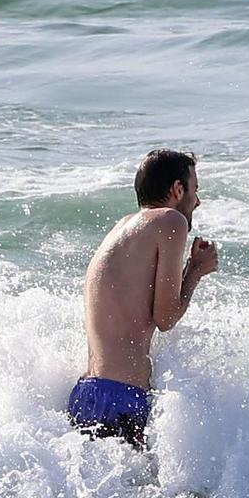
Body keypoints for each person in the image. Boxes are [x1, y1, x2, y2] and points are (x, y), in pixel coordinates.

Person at [69, 148, 218, 448]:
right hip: (123, 399)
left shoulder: (124, 227)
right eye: (195, 190)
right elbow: (166, 318)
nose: (197, 201)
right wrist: (196, 272)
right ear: (178, 189)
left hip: (88, 393)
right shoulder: (170, 221)